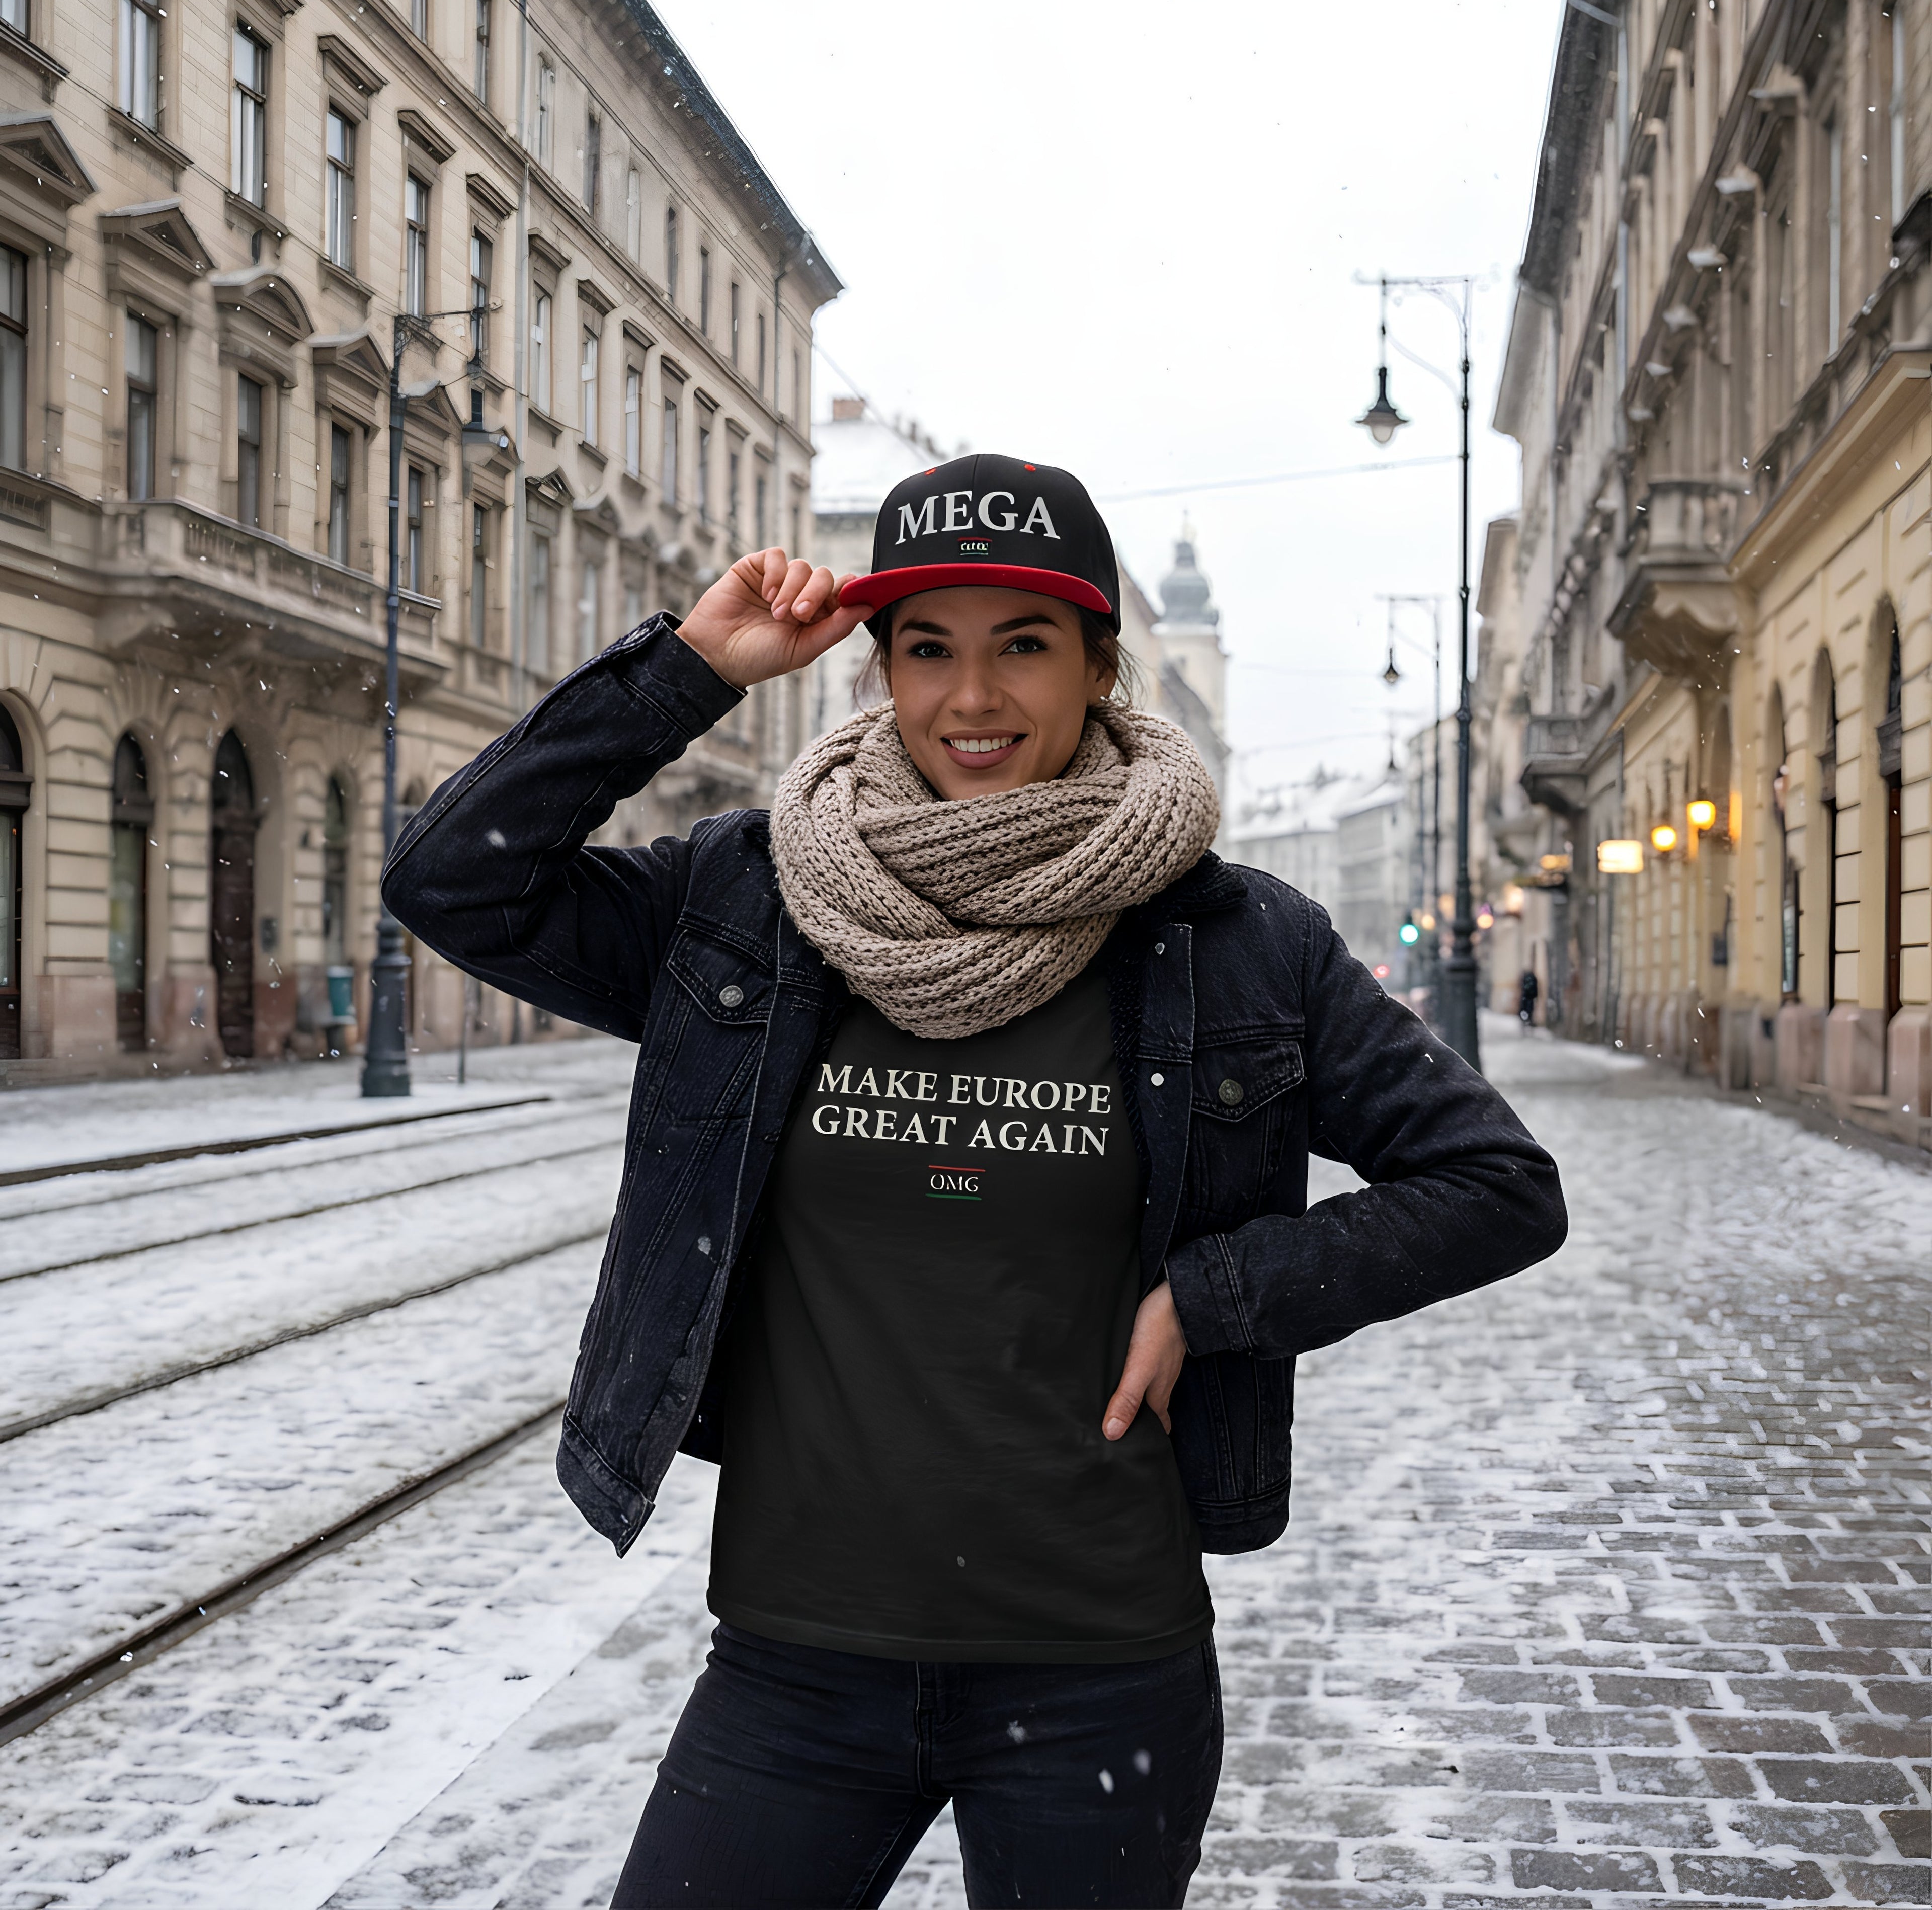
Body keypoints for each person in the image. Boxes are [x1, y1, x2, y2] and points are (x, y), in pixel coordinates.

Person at [383, 453, 1567, 1909]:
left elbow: (1499, 1183)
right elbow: (455, 881)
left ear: (1101, 668)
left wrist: (1221, 1293)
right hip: (792, 1671)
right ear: (878, 671)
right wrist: (693, 670)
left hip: (1096, 1679)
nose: (972, 699)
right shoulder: (753, 899)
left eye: (1024, 645)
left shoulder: (1237, 940)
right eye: (928, 648)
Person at [1519, 964, 1540, 1034]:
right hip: (1531, 997)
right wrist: (1535, 996)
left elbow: (1523, 987)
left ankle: (1525, 1021)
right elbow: (1535, 988)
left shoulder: (1526, 978)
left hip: (1526, 997)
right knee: (1530, 1010)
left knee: (1525, 1009)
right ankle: (1528, 1021)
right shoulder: (1533, 978)